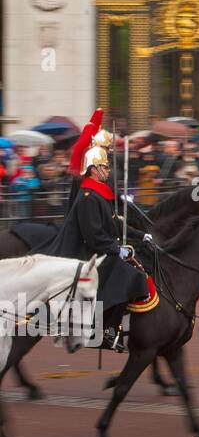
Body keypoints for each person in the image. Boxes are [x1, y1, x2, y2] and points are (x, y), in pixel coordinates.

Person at [41, 145, 150, 352]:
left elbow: (114, 223)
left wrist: (139, 234)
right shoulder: (88, 197)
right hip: (88, 255)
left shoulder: (99, 193)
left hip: (101, 249)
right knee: (131, 276)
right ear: (93, 169)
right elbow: (94, 236)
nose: (108, 171)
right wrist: (116, 249)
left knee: (135, 270)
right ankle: (105, 331)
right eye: (104, 167)